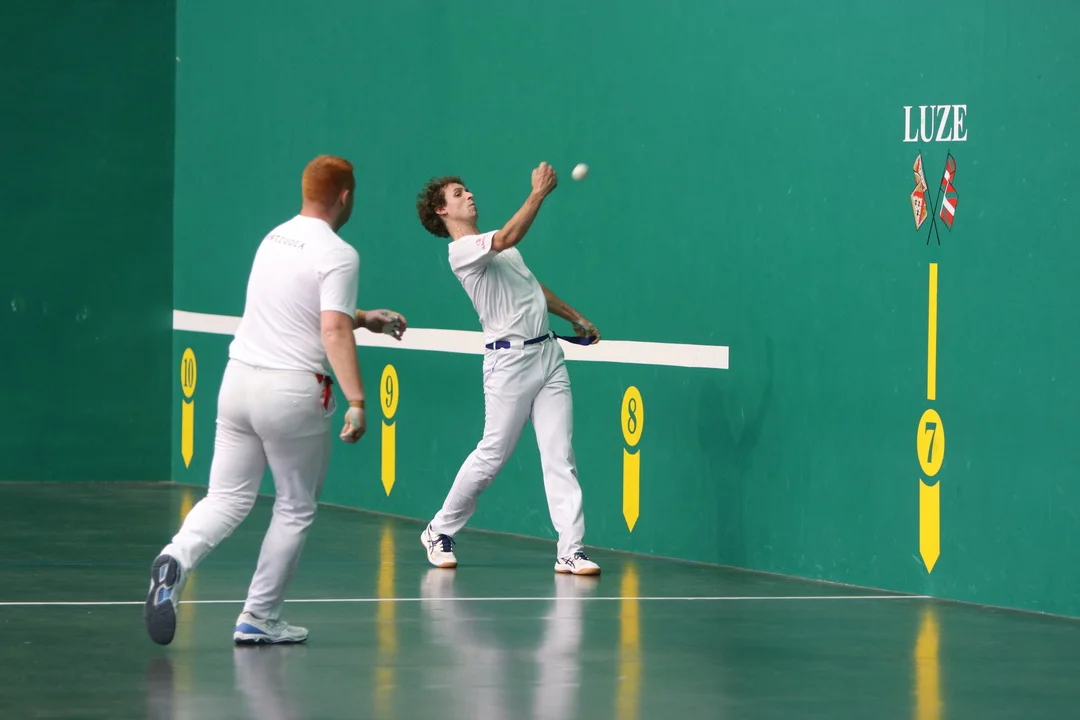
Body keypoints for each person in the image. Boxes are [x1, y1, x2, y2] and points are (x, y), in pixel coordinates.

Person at [144, 154, 408, 646]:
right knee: (294, 506)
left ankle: (174, 558)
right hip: (290, 392)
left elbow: (305, 309)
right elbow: (331, 329)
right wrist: (357, 400)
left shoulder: (274, 238)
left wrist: (364, 317)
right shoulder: (339, 252)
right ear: (345, 196)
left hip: (238, 383)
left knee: (225, 497)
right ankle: (258, 616)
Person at [413, 162, 601, 576]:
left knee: (560, 455)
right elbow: (509, 235)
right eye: (458, 194)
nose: (469, 195)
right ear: (442, 211)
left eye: (467, 189)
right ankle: (438, 530)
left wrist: (575, 316)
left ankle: (571, 550)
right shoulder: (463, 251)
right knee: (492, 456)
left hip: (548, 356)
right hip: (508, 364)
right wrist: (538, 193)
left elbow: (532, 287)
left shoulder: (502, 249)